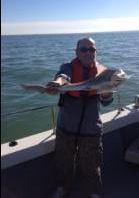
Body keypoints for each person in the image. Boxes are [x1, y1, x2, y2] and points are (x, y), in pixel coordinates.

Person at [46, 37, 114, 198]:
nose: (88, 53)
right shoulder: (68, 67)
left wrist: (107, 91)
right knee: (63, 162)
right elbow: (63, 76)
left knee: (92, 165)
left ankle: (93, 192)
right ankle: (63, 188)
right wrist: (57, 82)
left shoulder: (103, 72)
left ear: (96, 52)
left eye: (92, 49)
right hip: (66, 127)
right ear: (76, 52)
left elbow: (107, 102)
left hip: (91, 128)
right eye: (84, 49)